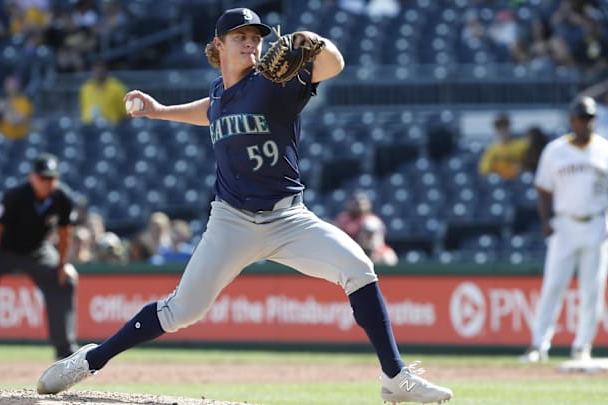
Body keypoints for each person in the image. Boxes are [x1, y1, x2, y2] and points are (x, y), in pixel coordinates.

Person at [36, 8, 452, 404]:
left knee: (359, 269)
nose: (252, 45)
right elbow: (211, 111)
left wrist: (317, 42)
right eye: (242, 37)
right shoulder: (220, 91)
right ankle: (91, 359)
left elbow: (335, 64)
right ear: (218, 44)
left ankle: (395, 378)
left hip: (290, 219)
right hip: (231, 221)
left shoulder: (275, 83)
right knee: (182, 310)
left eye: (256, 38)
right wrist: (161, 112)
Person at [519, 97, 608, 363]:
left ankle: (583, 346)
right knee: (553, 286)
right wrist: (547, 220)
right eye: (582, 118)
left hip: (596, 224)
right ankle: (538, 344)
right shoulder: (555, 150)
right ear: (572, 121)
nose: (586, 123)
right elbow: (544, 189)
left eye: (590, 118)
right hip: (565, 224)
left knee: (592, 290)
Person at [0, 153, 80, 362]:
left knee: (65, 280)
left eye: (51, 178)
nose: (47, 183)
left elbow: (65, 234)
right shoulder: (15, 195)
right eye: (42, 178)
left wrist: (63, 265)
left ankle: (65, 348)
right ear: (32, 177)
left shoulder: (63, 197)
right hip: (2, 248)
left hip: (37, 249)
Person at [478, 112, 529, 180]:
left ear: (509, 127)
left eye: (505, 126)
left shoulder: (522, 146)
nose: (502, 129)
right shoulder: (491, 149)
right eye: (499, 127)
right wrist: (504, 170)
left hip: (517, 180)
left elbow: (528, 166)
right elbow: (484, 170)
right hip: (500, 181)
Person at [0, 74, 34, 140]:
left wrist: (6, 108)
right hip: (2, 139)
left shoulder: (24, 102)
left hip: (18, 140)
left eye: (10, 84)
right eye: (6, 84)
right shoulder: (1, 101)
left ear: (17, 86)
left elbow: (14, 122)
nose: (7, 86)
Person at [79, 59, 128, 125]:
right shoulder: (86, 88)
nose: (99, 71)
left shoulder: (117, 88)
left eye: (101, 67)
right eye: (96, 68)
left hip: (111, 128)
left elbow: (126, 113)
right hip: (89, 127)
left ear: (106, 69)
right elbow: (83, 110)